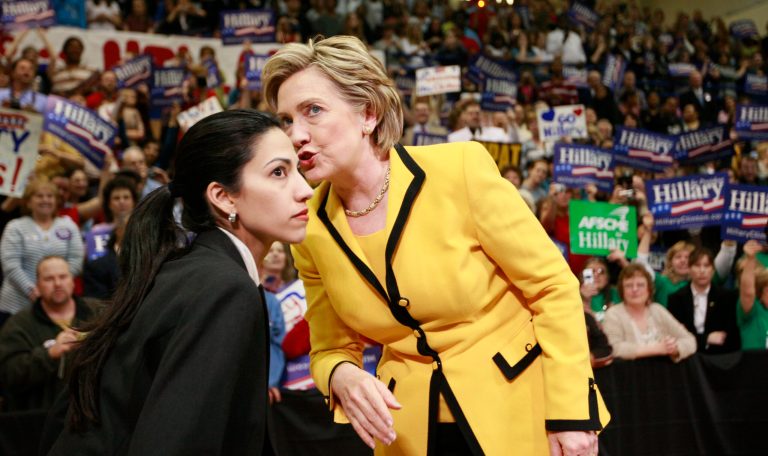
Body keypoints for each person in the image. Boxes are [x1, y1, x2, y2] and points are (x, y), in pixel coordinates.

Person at [262, 35, 607, 456]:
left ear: (367, 113)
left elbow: (554, 288)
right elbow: (330, 348)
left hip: (526, 413)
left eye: (312, 110)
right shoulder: (311, 229)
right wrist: (341, 376)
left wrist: (572, 416)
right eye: (285, 120)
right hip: (409, 432)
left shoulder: (460, 168)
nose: (296, 135)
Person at [48, 110, 313, 455]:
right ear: (222, 196)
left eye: (298, 169)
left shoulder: (198, 271)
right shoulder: (223, 288)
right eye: (279, 172)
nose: (305, 189)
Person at [0, 256, 95, 411]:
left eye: (63, 277)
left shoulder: (98, 312)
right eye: (49, 279)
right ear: (37, 285)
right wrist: (49, 354)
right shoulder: (18, 325)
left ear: (73, 281)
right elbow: (8, 375)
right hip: (41, 420)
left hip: (93, 414)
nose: (57, 284)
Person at [0, 179, 84, 327]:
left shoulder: (68, 225)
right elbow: (10, 265)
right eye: (39, 196)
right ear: (28, 202)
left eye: (50, 196)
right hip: (16, 306)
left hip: (57, 305)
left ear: (56, 201)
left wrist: (57, 287)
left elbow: (76, 259)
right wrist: (33, 291)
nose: (45, 200)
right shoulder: (15, 227)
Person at [602, 264, 697, 362]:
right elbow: (613, 348)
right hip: (628, 374)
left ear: (649, 289)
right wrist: (656, 349)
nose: (635, 289)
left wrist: (674, 348)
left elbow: (690, 340)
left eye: (640, 285)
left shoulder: (657, 310)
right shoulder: (613, 314)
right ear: (622, 290)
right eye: (629, 285)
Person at [667, 247, 741, 354]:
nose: (702, 271)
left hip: (720, 359)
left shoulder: (727, 298)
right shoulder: (676, 298)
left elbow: (729, 337)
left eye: (706, 266)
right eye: (697, 265)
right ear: (689, 269)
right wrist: (705, 339)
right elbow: (676, 336)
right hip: (688, 358)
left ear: (713, 270)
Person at [737, 240, 768, 350]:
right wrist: (750, 259)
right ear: (762, 290)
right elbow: (748, 293)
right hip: (755, 365)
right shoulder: (753, 309)